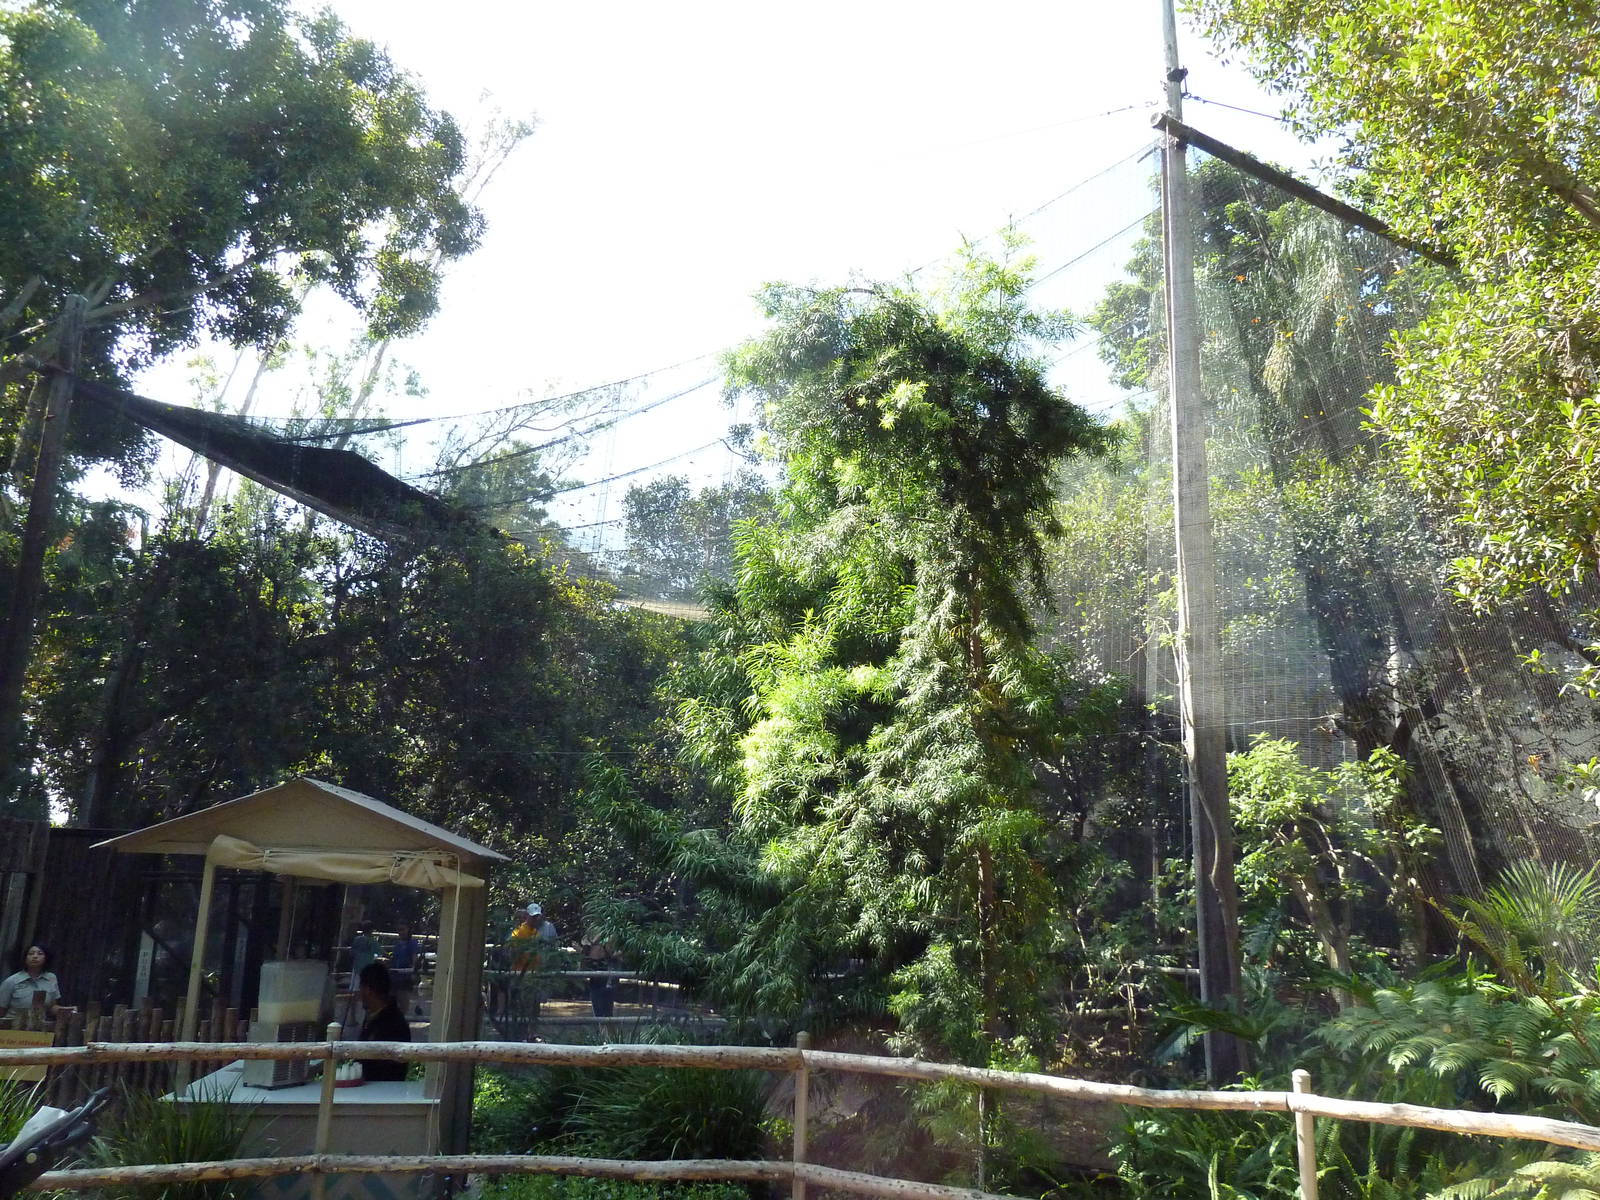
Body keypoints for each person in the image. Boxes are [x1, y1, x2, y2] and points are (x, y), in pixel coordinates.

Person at [356, 961, 411, 1082]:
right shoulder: (376, 1017)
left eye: (361, 987)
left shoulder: (392, 1023)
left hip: (381, 1089)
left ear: (368, 990)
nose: (359, 993)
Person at [1, 945, 60, 1021]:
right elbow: (1, 1009)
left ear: (46, 958)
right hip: (14, 1027)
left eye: (40, 953)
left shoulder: (51, 978)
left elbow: (52, 1006)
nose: (35, 956)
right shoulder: (12, 981)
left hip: (39, 1027)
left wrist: (66, 1010)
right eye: (31, 954)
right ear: (25, 958)